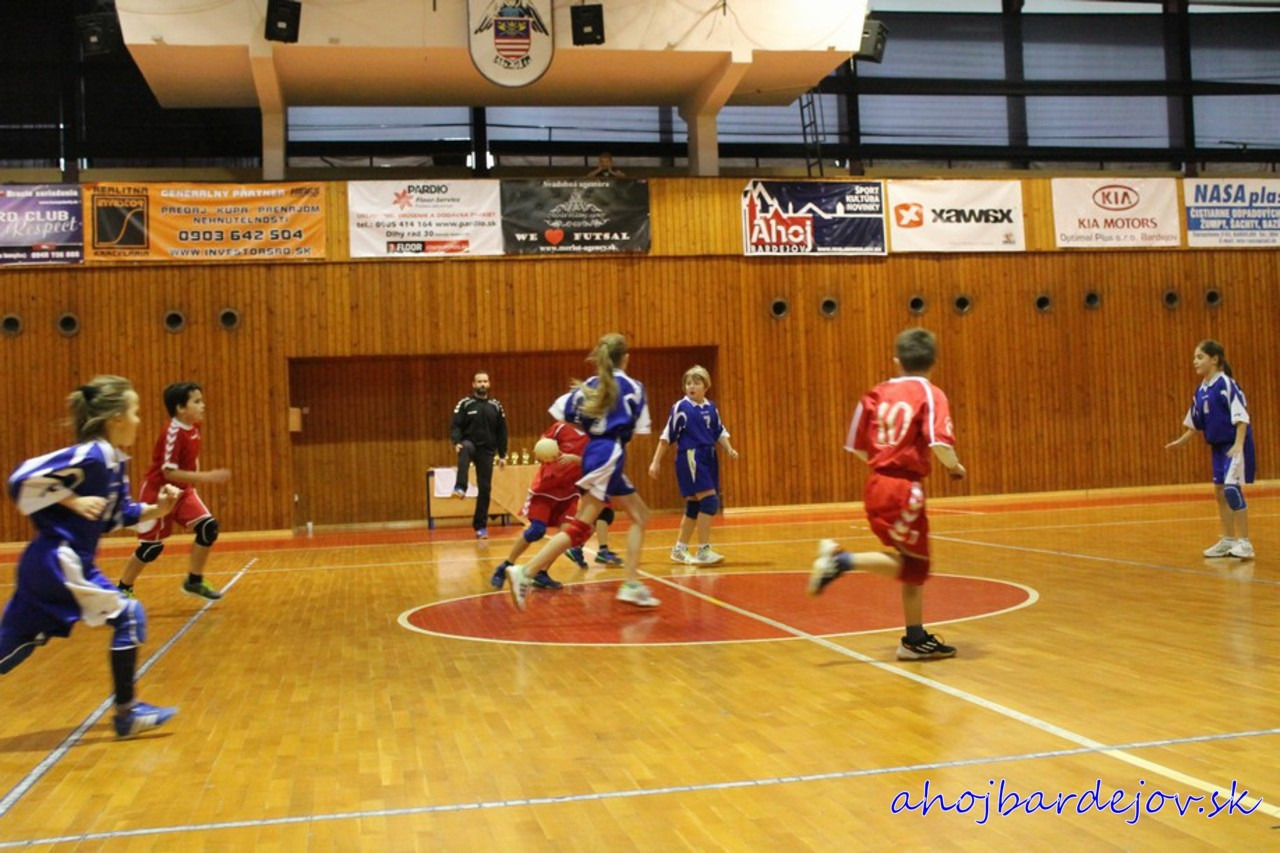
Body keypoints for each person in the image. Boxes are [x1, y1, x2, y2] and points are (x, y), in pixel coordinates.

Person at [1, 375, 181, 737]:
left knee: (12, 646)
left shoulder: (113, 462)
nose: (139, 420)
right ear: (116, 418)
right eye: (135, 412)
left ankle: (128, 713)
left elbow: (117, 515)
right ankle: (127, 714)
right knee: (129, 615)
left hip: (53, 564)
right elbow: (20, 478)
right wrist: (73, 500)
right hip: (60, 560)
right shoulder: (92, 454)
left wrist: (158, 509)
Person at [808, 328, 967, 661]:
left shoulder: (877, 393)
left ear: (897, 360)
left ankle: (915, 638)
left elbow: (856, 446)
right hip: (903, 488)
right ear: (934, 361)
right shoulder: (930, 393)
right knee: (915, 568)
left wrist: (883, 464)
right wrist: (955, 467)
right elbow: (939, 441)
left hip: (876, 483)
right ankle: (840, 561)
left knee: (912, 563)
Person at [507, 333, 658, 609]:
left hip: (592, 453)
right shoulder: (633, 388)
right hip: (610, 454)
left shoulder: (589, 386)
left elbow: (561, 411)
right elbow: (638, 430)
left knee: (640, 515)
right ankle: (526, 572)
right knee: (580, 526)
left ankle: (632, 584)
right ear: (625, 358)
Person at [117, 381, 231, 600]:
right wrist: (206, 476)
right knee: (151, 548)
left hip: (183, 491)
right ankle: (123, 588)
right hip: (160, 492)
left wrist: (193, 479)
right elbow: (169, 472)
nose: (203, 405)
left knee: (208, 528)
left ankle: (194, 581)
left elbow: (190, 458)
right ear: (180, 408)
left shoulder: (194, 427)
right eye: (197, 401)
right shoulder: (173, 432)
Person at [1164, 339, 1256, 559]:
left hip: (1234, 445)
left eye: (1200, 357)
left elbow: (1242, 417)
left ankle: (1245, 542)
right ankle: (1228, 540)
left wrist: (1239, 445)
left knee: (1232, 490)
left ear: (1214, 359)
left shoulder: (1226, 384)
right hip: (1217, 448)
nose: (1194, 361)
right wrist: (1180, 442)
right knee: (1220, 492)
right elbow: (1195, 424)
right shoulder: (1201, 390)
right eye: (1194, 357)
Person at [648, 365, 739, 565]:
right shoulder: (681, 407)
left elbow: (719, 431)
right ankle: (704, 550)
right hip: (691, 456)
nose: (691, 386)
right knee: (710, 502)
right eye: (688, 383)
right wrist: (655, 461)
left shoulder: (711, 407)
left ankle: (679, 549)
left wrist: (729, 448)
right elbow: (667, 436)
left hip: (709, 456)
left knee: (694, 506)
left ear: (706, 386)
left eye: (696, 383)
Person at [450, 371, 508, 539]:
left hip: (487, 450)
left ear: (488, 384)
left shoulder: (496, 405)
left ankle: (480, 527)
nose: (482, 384)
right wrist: (456, 441)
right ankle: (460, 487)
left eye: (485, 381)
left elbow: (502, 430)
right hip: (470, 443)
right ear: (474, 384)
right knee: (465, 448)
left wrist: (502, 454)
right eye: (479, 381)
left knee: (485, 488)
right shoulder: (465, 404)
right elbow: (456, 425)